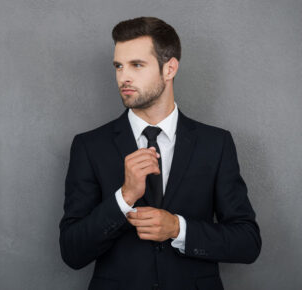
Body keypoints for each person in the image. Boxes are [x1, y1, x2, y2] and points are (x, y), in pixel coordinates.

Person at [59, 16, 261, 290]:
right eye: (118, 66)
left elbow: (247, 242)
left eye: (137, 65)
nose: (123, 77)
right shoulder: (89, 146)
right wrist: (125, 197)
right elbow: (72, 252)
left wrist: (179, 229)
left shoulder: (216, 144)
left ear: (170, 69)